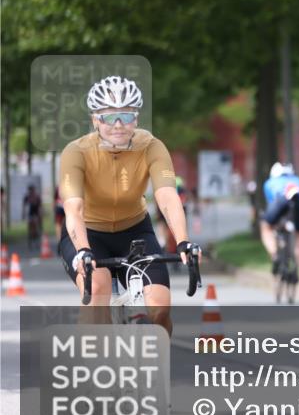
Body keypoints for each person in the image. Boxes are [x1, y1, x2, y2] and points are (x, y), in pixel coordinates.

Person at [58, 76, 198, 334]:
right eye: (109, 117)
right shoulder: (75, 152)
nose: (119, 125)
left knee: (161, 308)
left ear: (136, 118)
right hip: (88, 233)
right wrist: (83, 250)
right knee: (98, 290)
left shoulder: (151, 146)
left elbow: (167, 196)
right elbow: (74, 207)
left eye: (127, 115)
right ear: (95, 120)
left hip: (134, 230)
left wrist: (183, 241)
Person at [260, 162, 299, 281]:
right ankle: (296, 268)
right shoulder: (298, 181)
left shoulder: (270, 183)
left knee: (266, 227)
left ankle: (275, 255)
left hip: (280, 200)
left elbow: (271, 203)